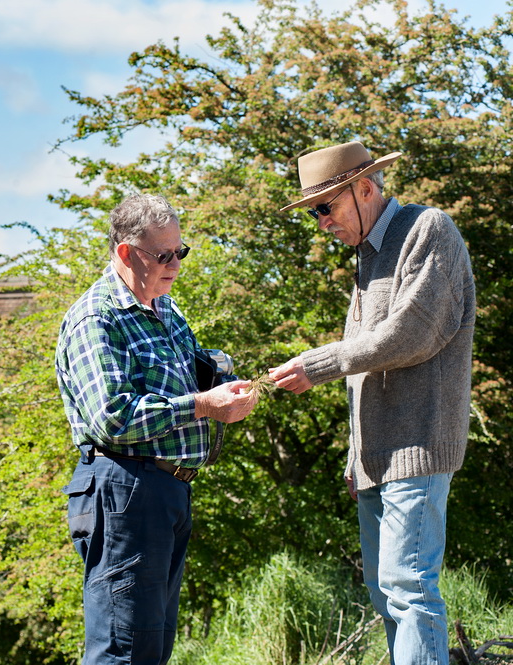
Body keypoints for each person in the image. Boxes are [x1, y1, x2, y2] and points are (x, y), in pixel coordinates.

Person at [269, 141, 476, 665]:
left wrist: (316, 364)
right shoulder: (367, 256)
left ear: (365, 188)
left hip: (417, 449)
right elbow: (366, 374)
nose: (320, 222)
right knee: (387, 598)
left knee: (409, 591)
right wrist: (354, 455)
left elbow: (411, 335)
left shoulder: (429, 231)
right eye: (314, 212)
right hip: (375, 460)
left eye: (326, 207)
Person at [56, 193, 256, 664]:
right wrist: (205, 405)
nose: (175, 264)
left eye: (179, 252)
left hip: (166, 492)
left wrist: (230, 387)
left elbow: (191, 378)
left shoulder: (168, 310)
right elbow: (113, 416)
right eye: (162, 255)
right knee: (122, 651)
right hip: (123, 489)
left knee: (151, 650)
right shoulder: (97, 317)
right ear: (126, 253)